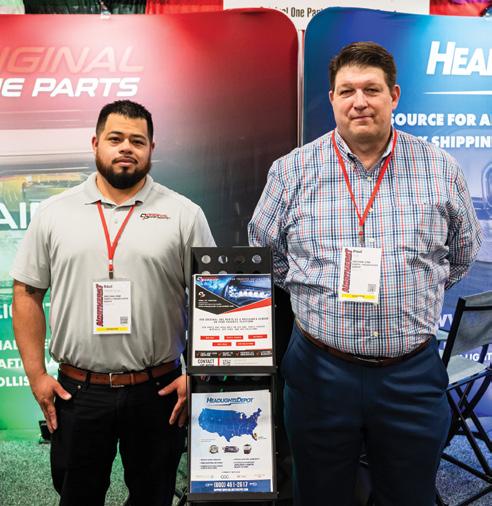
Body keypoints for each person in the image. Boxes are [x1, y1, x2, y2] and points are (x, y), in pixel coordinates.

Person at [248, 42, 482, 506]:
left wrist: (411, 291)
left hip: (410, 375)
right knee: (319, 495)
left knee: (410, 496)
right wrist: (313, 295)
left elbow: (462, 254)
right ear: (332, 99)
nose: (360, 102)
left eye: (372, 90)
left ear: (394, 96)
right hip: (319, 372)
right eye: (347, 90)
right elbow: (265, 254)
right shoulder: (292, 171)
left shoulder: (439, 168)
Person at [11, 100, 215, 506]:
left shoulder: (183, 215)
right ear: (95, 144)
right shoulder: (54, 213)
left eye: (137, 141)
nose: (126, 148)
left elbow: (212, 298)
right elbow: (27, 293)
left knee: (153, 496)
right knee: (77, 496)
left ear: (151, 148)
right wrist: (36, 376)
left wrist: (199, 374)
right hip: (78, 391)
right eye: (115, 138)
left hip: (158, 391)